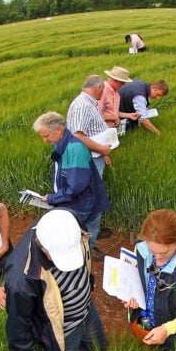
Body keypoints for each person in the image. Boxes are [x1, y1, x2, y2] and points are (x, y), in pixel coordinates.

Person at [5, 209, 108, 351]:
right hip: (60, 332)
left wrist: (88, 284)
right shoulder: (21, 280)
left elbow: (86, 258)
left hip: (87, 311)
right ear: (42, 246)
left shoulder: (68, 223)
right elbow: (17, 326)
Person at [124, 209, 176, 349]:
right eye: (152, 252)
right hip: (145, 318)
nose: (157, 259)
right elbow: (137, 279)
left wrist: (167, 329)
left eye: (164, 253)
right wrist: (131, 295)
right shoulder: (141, 248)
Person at [33, 111, 110, 258]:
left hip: (80, 202)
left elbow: (75, 186)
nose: (44, 140)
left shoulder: (74, 149)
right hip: (75, 200)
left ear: (59, 130)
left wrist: (53, 198)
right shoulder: (63, 144)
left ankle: (86, 250)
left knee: (78, 229)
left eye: (46, 136)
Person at [67, 75, 114, 245]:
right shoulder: (83, 106)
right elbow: (77, 136)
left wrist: (104, 153)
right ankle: (88, 243)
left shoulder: (88, 103)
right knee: (91, 201)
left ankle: (92, 232)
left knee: (93, 199)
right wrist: (101, 149)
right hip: (88, 161)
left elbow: (92, 132)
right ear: (99, 88)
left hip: (94, 157)